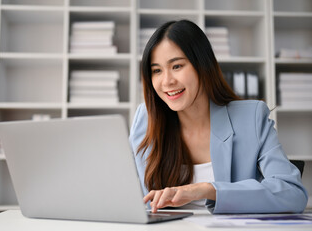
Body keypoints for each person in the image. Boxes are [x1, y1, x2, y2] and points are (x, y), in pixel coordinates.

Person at [129, 20, 308, 214]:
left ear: (202, 65)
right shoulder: (145, 120)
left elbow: (292, 193)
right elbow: (124, 190)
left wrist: (208, 189)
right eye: (156, 70)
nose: (167, 81)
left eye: (177, 66)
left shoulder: (251, 118)